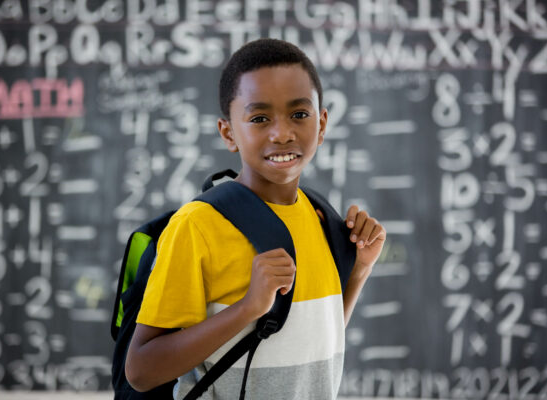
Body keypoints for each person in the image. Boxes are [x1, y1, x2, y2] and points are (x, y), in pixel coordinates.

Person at [125, 38, 386, 399]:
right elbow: (140, 370)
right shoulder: (197, 226)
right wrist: (248, 308)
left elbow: (311, 340)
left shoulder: (322, 218)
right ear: (228, 132)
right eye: (259, 118)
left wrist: (359, 270)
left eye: (299, 114)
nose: (282, 133)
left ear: (322, 124)